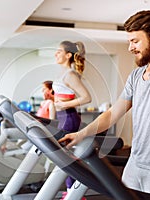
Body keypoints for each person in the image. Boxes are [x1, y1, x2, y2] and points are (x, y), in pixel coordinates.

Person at [58, 10, 150, 198]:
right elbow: (112, 114)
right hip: (133, 167)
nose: (130, 48)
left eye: (135, 41)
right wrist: (80, 134)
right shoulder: (136, 75)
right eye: (129, 42)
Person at [0, 81, 55, 163]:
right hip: (32, 127)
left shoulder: (51, 104)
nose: (42, 92)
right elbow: (38, 116)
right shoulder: (43, 103)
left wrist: (37, 121)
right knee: (5, 123)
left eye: (44, 89)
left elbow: (52, 123)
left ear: (50, 90)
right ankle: (3, 147)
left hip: (38, 131)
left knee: (7, 132)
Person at [53, 40, 92, 198]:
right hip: (64, 118)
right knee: (65, 157)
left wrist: (65, 104)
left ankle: (75, 193)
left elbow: (86, 97)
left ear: (68, 55)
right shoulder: (64, 73)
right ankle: (71, 191)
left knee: (67, 159)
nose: (55, 54)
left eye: (59, 51)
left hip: (69, 118)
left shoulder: (70, 74)